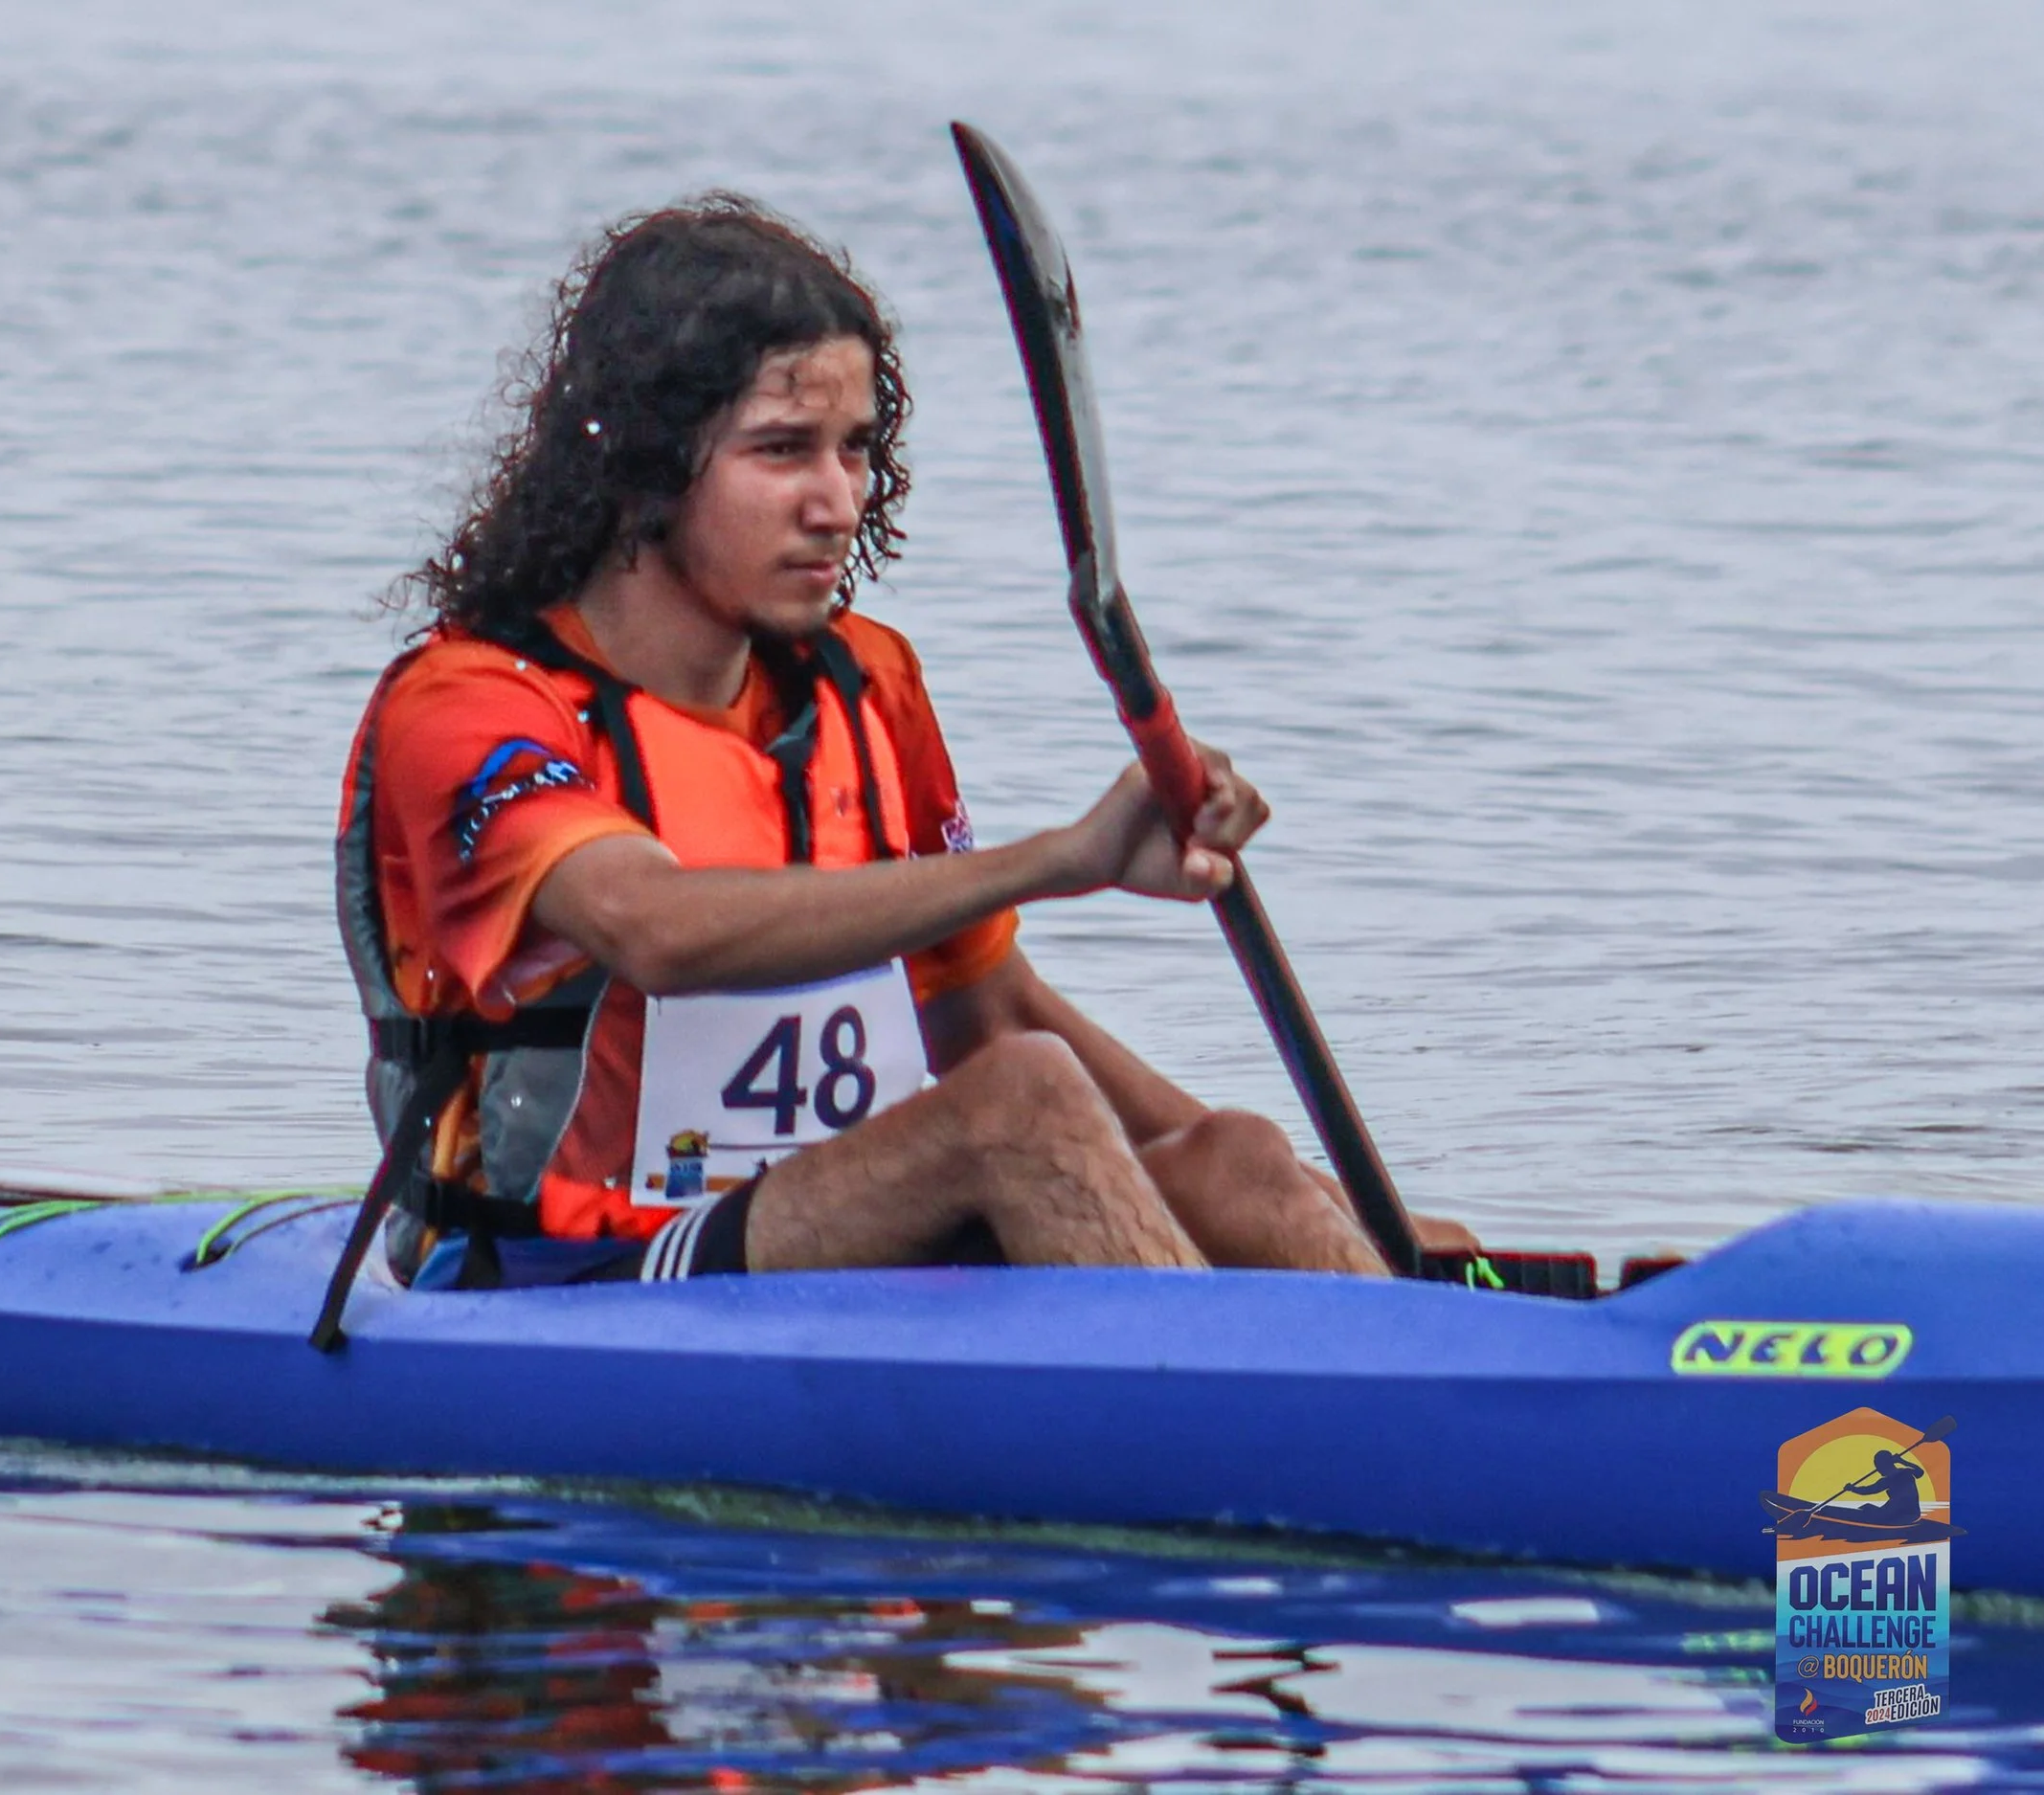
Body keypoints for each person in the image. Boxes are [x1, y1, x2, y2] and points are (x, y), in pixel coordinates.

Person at [339, 194, 1437, 1291]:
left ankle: (1408, 1336)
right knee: (1019, 1105)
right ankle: (1206, 1391)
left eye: (855, 450)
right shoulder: (471, 704)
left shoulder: (869, 682)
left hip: (827, 1229)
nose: (837, 503)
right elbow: (652, 929)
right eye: (783, 450)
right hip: (559, 1267)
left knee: (1235, 1156)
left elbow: (983, 1009)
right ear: (640, 465)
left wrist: (1339, 1212)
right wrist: (1064, 859)